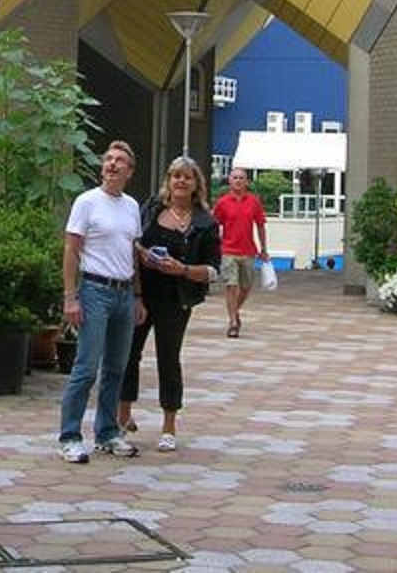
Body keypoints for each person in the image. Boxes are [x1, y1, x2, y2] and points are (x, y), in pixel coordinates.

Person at [117, 155, 221, 452]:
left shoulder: (205, 222)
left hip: (176, 298)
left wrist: (184, 270)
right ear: (168, 180)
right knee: (129, 352)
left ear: (195, 184)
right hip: (142, 292)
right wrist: (143, 253)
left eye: (187, 177)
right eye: (175, 175)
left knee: (168, 357)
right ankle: (123, 416)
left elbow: (213, 269)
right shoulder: (150, 208)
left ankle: (169, 425)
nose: (180, 181)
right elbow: (131, 240)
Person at [57, 139, 146, 464]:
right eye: (108, 159)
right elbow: (71, 249)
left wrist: (137, 295)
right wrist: (71, 297)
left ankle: (107, 432)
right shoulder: (86, 202)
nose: (111, 164)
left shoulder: (132, 207)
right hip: (93, 290)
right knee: (86, 367)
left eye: (119, 160)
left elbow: (132, 253)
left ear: (129, 171)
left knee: (116, 368)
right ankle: (69, 436)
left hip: (123, 292)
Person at [212, 166, 269, 337]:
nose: (238, 181)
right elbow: (214, 226)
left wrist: (263, 248)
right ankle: (233, 322)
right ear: (229, 180)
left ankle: (234, 310)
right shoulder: (222, 203)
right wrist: (215, 246)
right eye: (235, 177)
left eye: (241, 178)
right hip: (228, 250)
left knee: (246, 286)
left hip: (248, 250)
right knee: (231, 285)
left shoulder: (254, 202)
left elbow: (260, 225)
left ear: (247, 182)